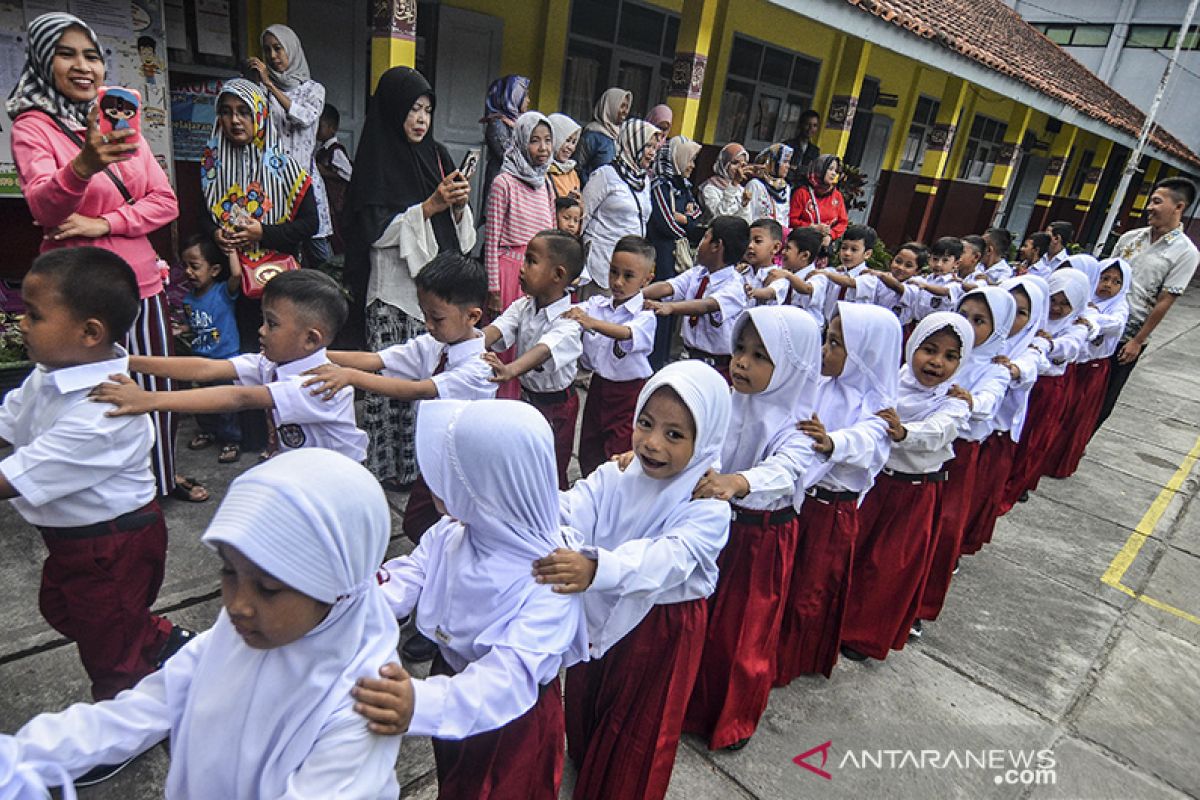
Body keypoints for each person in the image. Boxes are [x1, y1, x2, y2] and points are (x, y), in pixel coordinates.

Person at [3, 449, 404, 798]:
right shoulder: (235, 635)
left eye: (267, 588)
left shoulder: (366, 703)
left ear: (339, 589)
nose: (237, 605)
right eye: (229, 572)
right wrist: (24, 753)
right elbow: (148, 706)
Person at [351, 399, 588, 800]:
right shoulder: (453, 533)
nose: (437, 483)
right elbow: (408, 575)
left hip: (511, 721)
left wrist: (420, 704)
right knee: (456, 781)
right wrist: (343, 604)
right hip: (448, 681)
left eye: (452, 473)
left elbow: (509, 677)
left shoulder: (551, 577)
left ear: (489, 489)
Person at [7, 12, 200, 502]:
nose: (82, 66)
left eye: (91, 55)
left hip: (140, 283)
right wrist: (83, 165)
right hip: (73, 289)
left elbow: (166, 201)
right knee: (81, 391)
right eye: (66, 54)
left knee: (153, 385)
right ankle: (95, 492)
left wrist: (104, 222)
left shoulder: (117, 123)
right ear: (43, 61)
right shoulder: (34, 127)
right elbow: (44, 204)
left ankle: (160, 478)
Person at [0, 248, 191, 708]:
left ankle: (123, 720)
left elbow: (14, 478)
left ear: (89, 332)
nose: (20, 324)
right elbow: (7, 422)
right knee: (70, 611)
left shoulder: (104, 409)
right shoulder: (47, 375)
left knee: (110, 653)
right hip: (73, 540)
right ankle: (155, 637)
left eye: (34, 315)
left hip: (112, 546)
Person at [532, 361, 732, 800]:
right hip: (598, 600)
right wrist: (531, 516)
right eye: (645, 423)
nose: (653, 443)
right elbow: (575, 504)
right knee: (588, 692)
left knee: (639, 723)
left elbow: (669, 558)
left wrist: (597, 566)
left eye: (674, 434)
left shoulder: (708, 505)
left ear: (706, 441)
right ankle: (588, 758)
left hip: (660, 628)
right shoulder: (620, 473)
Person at [684, 307, 821, 751]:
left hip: (761, 535)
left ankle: (732, 718)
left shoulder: (797, 422)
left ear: (791, 366)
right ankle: (688, 702)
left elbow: (788, 469)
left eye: (761, 355)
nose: (741, 361)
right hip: (714, 523)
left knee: (744, 631)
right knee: (701, 618)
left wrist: (739, 481)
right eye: (740, 349)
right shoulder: (727, 398)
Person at [341, 66, 474, 489]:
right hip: (393, 294)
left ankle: (423, 467)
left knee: (427, 385)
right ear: (394, 111)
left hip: (434, 297)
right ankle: (386, 468)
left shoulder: (437, 155)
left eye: (427, 110)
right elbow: (374, 232)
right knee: (390, 383)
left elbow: (459, 235)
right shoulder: (376, 158)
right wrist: (429, 207)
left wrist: (455, 205)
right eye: (413, 109)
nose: (421, 119)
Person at [92, 270, 368, 463]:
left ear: (310, 339)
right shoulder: (272, 362)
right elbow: (205, 369)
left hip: (335, 480)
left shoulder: (320, 383)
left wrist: (149, 400)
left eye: (271, 324)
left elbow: (239, 397)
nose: (260, 331)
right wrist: (126, 361)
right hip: (302, 470)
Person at [775, 303, 900, 683]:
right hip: (798, 502)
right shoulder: (820, 385)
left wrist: (832, 442)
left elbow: (867, 441)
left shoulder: (877, 408)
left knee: (808, 591)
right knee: (785, 583)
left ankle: (790, 660)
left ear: (865, 355)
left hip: (830, 512)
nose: (824, 351)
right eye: (826, 340)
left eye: (835, 344)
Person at [840, 313, 973, 659]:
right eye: (928, 349)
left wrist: (903, 432)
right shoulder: (891, 382)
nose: (936, 362)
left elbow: (938, 432)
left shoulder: (954, 401)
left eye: (949, 356)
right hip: (876, 484)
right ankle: (836, 621)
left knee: (887, 567)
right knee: (855, 553)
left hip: (915, 492)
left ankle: (863, 634)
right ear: (911, 346)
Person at [199, 78, 319, 461]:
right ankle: (251, 437)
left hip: (278, 281)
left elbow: (309, 225)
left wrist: (262, 230)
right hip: (235, 282)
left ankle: (290, 434)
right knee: (245, 356)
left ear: (261, 117)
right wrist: (216, 235)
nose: (235, 120)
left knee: (284, 355)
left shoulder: (287, 168)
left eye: (244, 112)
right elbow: (202, 223)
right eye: (227, 111)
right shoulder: (211, 165)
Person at [915, 288, 1015, 629]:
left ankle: (920, 605)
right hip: (916, 453)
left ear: (998, 328)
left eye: (980, 321)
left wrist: (968, 400)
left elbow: (989, 401)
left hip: (959, 454)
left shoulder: (994, 368)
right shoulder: (935, 354)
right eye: (965, 316)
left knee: (943, 528)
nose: (969, 327)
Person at [483, 230, 586, 488]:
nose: (522, 267)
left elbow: (544, 349)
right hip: (527, 399)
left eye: (530, 261)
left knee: (550, 471)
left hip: (557, 408)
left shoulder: (570, 320)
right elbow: (497, 329)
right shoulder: (523, 306)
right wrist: (465, 340)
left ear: (558, 275)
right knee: (521, 463)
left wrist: (510, 370)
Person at [1096, 177, 1199, 429]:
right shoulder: (1130, 238)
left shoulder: (1185, 253)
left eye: (1156, 202)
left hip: (1127, 337)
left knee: (1103, 399)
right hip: (1099, 326)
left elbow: (1165, 300)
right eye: (1150, 201)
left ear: (1179, 207)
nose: (1149, 207)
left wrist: (1137, 341)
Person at [964, 276, 1048, 547]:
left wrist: (1010, 367)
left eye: (1022, 313)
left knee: (973, 498)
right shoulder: (971, 342)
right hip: (957, 435)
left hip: (994, 434)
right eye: (1009, 308)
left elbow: (1027, 367)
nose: (1013, 318)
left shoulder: (1029, 347)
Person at [564, 235, 657, 477]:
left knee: (618, 453)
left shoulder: (645, 315)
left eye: (628, 276)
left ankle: (613, 503)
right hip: (599, 387)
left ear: (647, 278)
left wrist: (591, 323)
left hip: (628, 393)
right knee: (589, 448)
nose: (617, 282)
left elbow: (626, 333)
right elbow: (574, 312)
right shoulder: (598, 304)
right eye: (613, 272)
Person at [1003, 268, 1091, 507]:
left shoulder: (1077, 325)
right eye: (1053, 300)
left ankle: (1017, 482)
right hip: (1020, 386)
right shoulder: (1034, 316)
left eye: (1066, 304)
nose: (1057, 308)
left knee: (1032, 436)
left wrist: (1047, 344)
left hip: (1047, 388)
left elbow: (1070, 347)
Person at [247, 25, 333, 266]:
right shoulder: (262, 89)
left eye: (278, 48)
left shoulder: (314, 89)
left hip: (305, 179)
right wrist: (257, 84)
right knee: (283, 248)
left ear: (292, 50)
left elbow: (303, 117)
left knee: (319, 252)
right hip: (274, 182)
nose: (273, 56)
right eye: (267, 51)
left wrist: (271, 86)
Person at [643, 215, 752, 380]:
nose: (700, 244)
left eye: (705, 237)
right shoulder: (698, 273)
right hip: (689, 358)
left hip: (717, 367)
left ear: (717, 246)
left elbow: (707, 305)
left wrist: (671, 307)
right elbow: (669, 287)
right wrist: (636, 294)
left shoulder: (735, 285)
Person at [1057, 258, 1131, 471]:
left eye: (1116, 282)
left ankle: (1061, 462)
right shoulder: (1084, 298)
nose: (1108, 285)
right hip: (1073, 365)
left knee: (1076, 416)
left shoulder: (1119, 307)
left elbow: (1114, 324)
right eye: (1104, 278)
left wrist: (1091, 319)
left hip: (1092, 369)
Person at [179, 233, 242, 464]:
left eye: (194, 266)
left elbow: (237, 274)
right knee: (202, 400)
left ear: (214, 270)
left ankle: (231, 440)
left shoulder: (222, 292)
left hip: (224, 359)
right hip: (200, 359)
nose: (188, 272)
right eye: (185, 266)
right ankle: (207, 431)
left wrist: (231, 250)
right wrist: (182, 328)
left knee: (226, 403)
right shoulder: (188, 299)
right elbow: (194, 323)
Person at [485, 111, 556, 316]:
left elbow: (552, 238)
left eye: (548, 140)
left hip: (539, 274)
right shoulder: (504, 183)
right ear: (521, 142)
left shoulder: (546, 185)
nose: (543, 148)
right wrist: (494, 289)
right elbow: (491, 242)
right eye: (534, 141)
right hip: (509, 274)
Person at [580, 117, 660, 298]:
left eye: (655, 148)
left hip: (630, 266)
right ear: (633, 143)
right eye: (648, 146)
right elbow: (584, 216)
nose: (652, 153)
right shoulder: (605, 175)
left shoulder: (644, 181)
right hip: (601, 263)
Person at [646, 135, 705, 368]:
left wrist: (686, 221)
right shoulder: (661, 186)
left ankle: (663, 360)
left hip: (676, 254)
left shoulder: (684, 186)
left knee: (672, 307)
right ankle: (653, 361)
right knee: (659, 306)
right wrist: (685, 223)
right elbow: (665, 223)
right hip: (662, 254)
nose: (691, 166)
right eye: (689, 160)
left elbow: (697, 216)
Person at [754, 226, 830, 329]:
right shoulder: (784, 272)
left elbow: (806, 289)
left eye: (788, 248)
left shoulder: (817, 276)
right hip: (787, 325)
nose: (783, 252)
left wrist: (788, 276)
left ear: (804, 255)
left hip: (807, 329)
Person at [480, 74, 531, 212]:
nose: (528, 100)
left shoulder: (518, 123)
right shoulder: (497, 124)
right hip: (500, 182)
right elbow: (508, 155)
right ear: (513, 95)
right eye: (525, 96)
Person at [314, 103, 352, 254]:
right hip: (327, 202)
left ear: (332, 128)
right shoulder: (321, 150)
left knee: (338, 236)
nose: (316, 130)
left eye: (320, 126)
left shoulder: (335, 152)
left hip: (337, 203)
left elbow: (349, 175)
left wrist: (324, 172)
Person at [576, 87, 631, 185]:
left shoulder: (620, 136)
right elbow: (577, 168)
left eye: (627, 107)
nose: (625, 111)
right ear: (610, 106)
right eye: (622, 106)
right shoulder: (592, 136)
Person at [788, 154, 848, 242]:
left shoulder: (837, 196)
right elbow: (791, 220)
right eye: (830, 169)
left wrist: (831, 235)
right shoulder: (802, 193)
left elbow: (843, 222)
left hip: (823, 247)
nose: (834, 174)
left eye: (836, 171)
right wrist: (812, 227)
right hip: (802, 242)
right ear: (820, 169)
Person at [699, 143, 750, 221]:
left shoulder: (741, 190)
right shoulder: (710, 188)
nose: (739, 168)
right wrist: (733, 184)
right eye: (735, 163)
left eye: (743, 165)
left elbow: (745, 220)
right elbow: (720, 217)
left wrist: (744, 205)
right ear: (725, 163)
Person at [745, 143, 793, 226]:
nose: (788, 166)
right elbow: (748, 215)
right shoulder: (755, 185)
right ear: (772, 163)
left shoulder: (786, 188)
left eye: (788, 162)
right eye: (784, 162)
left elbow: (785, 219)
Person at [548, 112, 583, 201]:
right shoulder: (543, 171)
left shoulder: (572, 172)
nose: (570, 147)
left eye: (574, 142)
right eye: (567, 140)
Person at [785, 109, 821, 183]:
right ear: (800, 125)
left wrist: (798, 169)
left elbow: (813, 172)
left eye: (814, 125)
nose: (811, 128)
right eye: (808, 124)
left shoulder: (815, 151)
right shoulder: (788, 145)